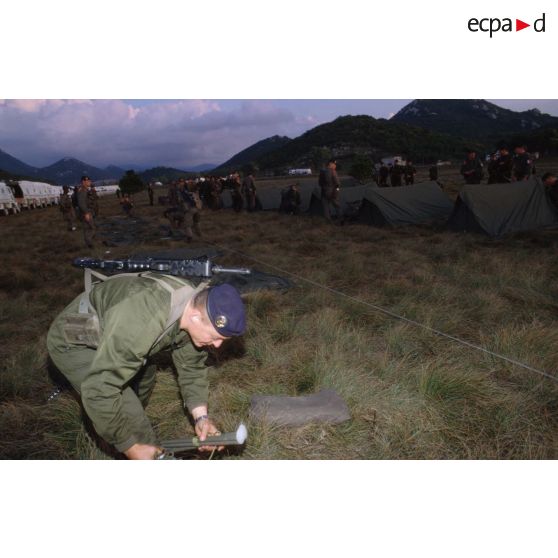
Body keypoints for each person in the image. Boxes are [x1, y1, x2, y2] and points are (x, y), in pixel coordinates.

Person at [47, 277, 246, 460]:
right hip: (75, 342)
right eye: (215, 337)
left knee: (145, 381)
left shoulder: (192, 308)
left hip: (119, 335)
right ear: (195, 317)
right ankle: (129, 443)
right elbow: (100, 390)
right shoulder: (142, 320)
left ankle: (109, 428)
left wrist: (201, 418)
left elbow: (191, 368)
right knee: (130, 416)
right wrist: (132, 446)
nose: (217, 345)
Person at [77, 175, 96, 248]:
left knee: (87, 228)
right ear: (83, 182)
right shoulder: (82, 191)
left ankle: (89, 243)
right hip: (86, 212)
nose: (89, 182)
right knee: (91, 228)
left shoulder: (85, 190)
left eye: (90, 181)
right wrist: (86, 213)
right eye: (88, 181)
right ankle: (89, 243)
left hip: (87, 211)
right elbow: (81, 203)